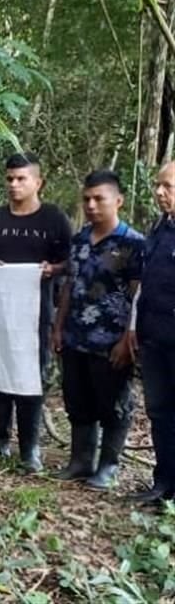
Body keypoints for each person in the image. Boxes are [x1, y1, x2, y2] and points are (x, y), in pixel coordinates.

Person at [0, 152, 72, 473]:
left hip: (37, 316)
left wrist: (51, 268)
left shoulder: (54, 219)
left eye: (22, 179)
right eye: (10, 179)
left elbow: (71, 263)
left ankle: (30, 451)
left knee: (31, 380)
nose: (14, 185)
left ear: (37, 182)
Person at [52, 170, 143, 489]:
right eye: (87, 199)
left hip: (111, 341)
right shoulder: (79, 240)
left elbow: (137, 296)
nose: (91, 205)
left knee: (113, 404)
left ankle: (108, 466)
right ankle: (80, 460)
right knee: (77, 400)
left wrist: (126, 339)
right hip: (76, 336)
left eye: (98, 199)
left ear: (117, 201)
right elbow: (69, 285)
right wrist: (59, 326)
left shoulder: (133, 244)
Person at [127, 162, 175, 504]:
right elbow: (144, 284)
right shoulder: (159, 228)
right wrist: (132, 327)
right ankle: (163, 484)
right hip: (154, 338)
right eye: (158, 186)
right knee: (159, 412)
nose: (159, 192)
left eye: (168, 186)